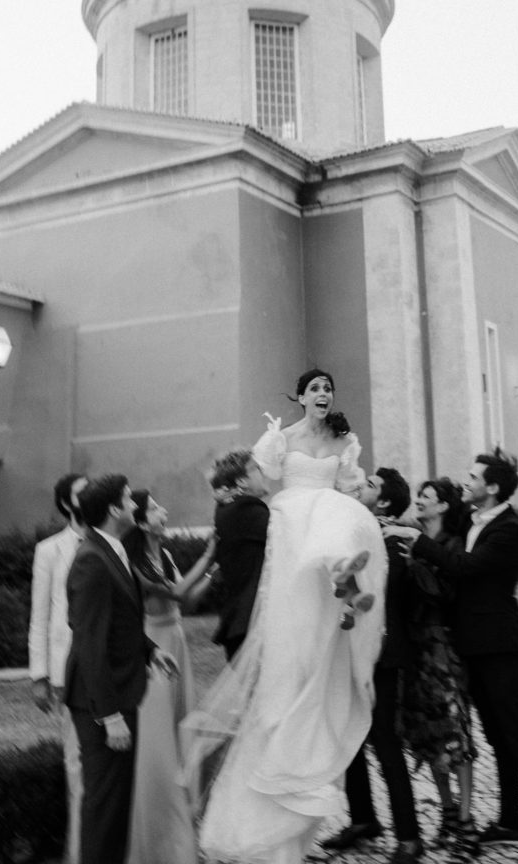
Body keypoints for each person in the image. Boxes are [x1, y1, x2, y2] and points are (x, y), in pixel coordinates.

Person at [184, 367, 387, 864]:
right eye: (315, 388)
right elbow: (244, 480)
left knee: (342, 517)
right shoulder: (281, 438)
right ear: (300, 396)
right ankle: (342, 584)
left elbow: (352, 491)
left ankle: (344, 589)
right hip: (294, 529)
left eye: (328, 388)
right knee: (321, 528)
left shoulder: (345, 441)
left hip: (329, 523)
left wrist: (363, 495)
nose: (323, 393)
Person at [387, 449, 518, 864]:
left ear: (494, 487)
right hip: (474, 648)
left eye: (473, 477)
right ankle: (509, 821)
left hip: (501, 647)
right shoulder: (474, 522)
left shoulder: (508, 529)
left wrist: (419, 541)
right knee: (498, 739)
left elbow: (466, 568)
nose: (466, 481)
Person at [64, 474, 177, 864]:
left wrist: (150, 651)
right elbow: (89, 643)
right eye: (129, 499)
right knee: (105, 807)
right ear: (114, 510)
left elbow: (118, 621)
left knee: (116, 805)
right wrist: (109, 715)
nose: (135, 505)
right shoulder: (92, 560)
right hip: (101, 702)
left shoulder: (110, 549)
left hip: (119, 690)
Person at [322, 467, 423, 864]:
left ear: (382, 502)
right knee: (349, 737)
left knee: (384, 742)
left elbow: (388, 597)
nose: (360, 488)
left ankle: (410, 837)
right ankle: (363, 819)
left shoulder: (394, 542)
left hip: (382, 653)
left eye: (370, 486)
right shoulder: (352, 533)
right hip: (346, 648)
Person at [124, 488, 216, 864]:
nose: (165, 511)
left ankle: (182, 815)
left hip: (176, 642)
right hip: (154, 647)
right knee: (158, 737)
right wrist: (210, 552)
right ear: (143, 521)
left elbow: (190, 602)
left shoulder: (163, 553)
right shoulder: (134, 562)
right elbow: (176, 592)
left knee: (182, 729)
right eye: (156, 508)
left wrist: (213, 571)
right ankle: (158, 833)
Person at [401, 478, 478, 862]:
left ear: (443, 506)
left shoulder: (452, 545)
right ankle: (447, 813)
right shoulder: (412, 540)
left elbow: (443, 592)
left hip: (443, 649)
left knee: (455, 736)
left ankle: (467, 823)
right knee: (429, 735)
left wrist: (413, 562)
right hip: (416, 649)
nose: (418, 501)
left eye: (425, 497)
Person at [28, 472, 88, 864]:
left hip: (111, 669)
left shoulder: (117, 542)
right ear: (67, 504)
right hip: (69, 670)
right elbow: (40, 615)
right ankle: (80, 851)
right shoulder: (50, 550)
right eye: (84, 493)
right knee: (77, 761)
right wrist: (39, 675)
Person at [209, 448, 270, 660]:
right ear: (242, 482)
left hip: (239, 625)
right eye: (256, 468)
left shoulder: (230, 509)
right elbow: (288, 540)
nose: (263, 472)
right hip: (250, 625)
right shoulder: (248, 510)